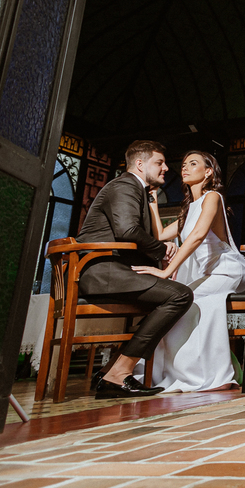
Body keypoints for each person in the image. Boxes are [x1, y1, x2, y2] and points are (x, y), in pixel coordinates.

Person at [76, 140, 193, 399]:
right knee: (180, 295)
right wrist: (163, 251)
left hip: (113, 269)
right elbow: (127, 231)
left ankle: (110, 370)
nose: (166, 168)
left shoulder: (136, 189)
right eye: (159, 163)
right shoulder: (126, 185)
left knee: (168, 295)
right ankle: (119, 373)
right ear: (139, 164)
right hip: (103, 271)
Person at [132, 150, 245, 392]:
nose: (184, 168)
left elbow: (197, 236)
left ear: (208, 172)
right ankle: (176, 371)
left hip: (228, 270)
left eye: (193, 163)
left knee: (188, 299)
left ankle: (217, 375)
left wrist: (166, 272)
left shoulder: (212, 197)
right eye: (184, 164)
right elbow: (160, 234)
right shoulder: (188, 211)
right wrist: (153, 201)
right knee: (174, 303)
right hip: (208, 274)